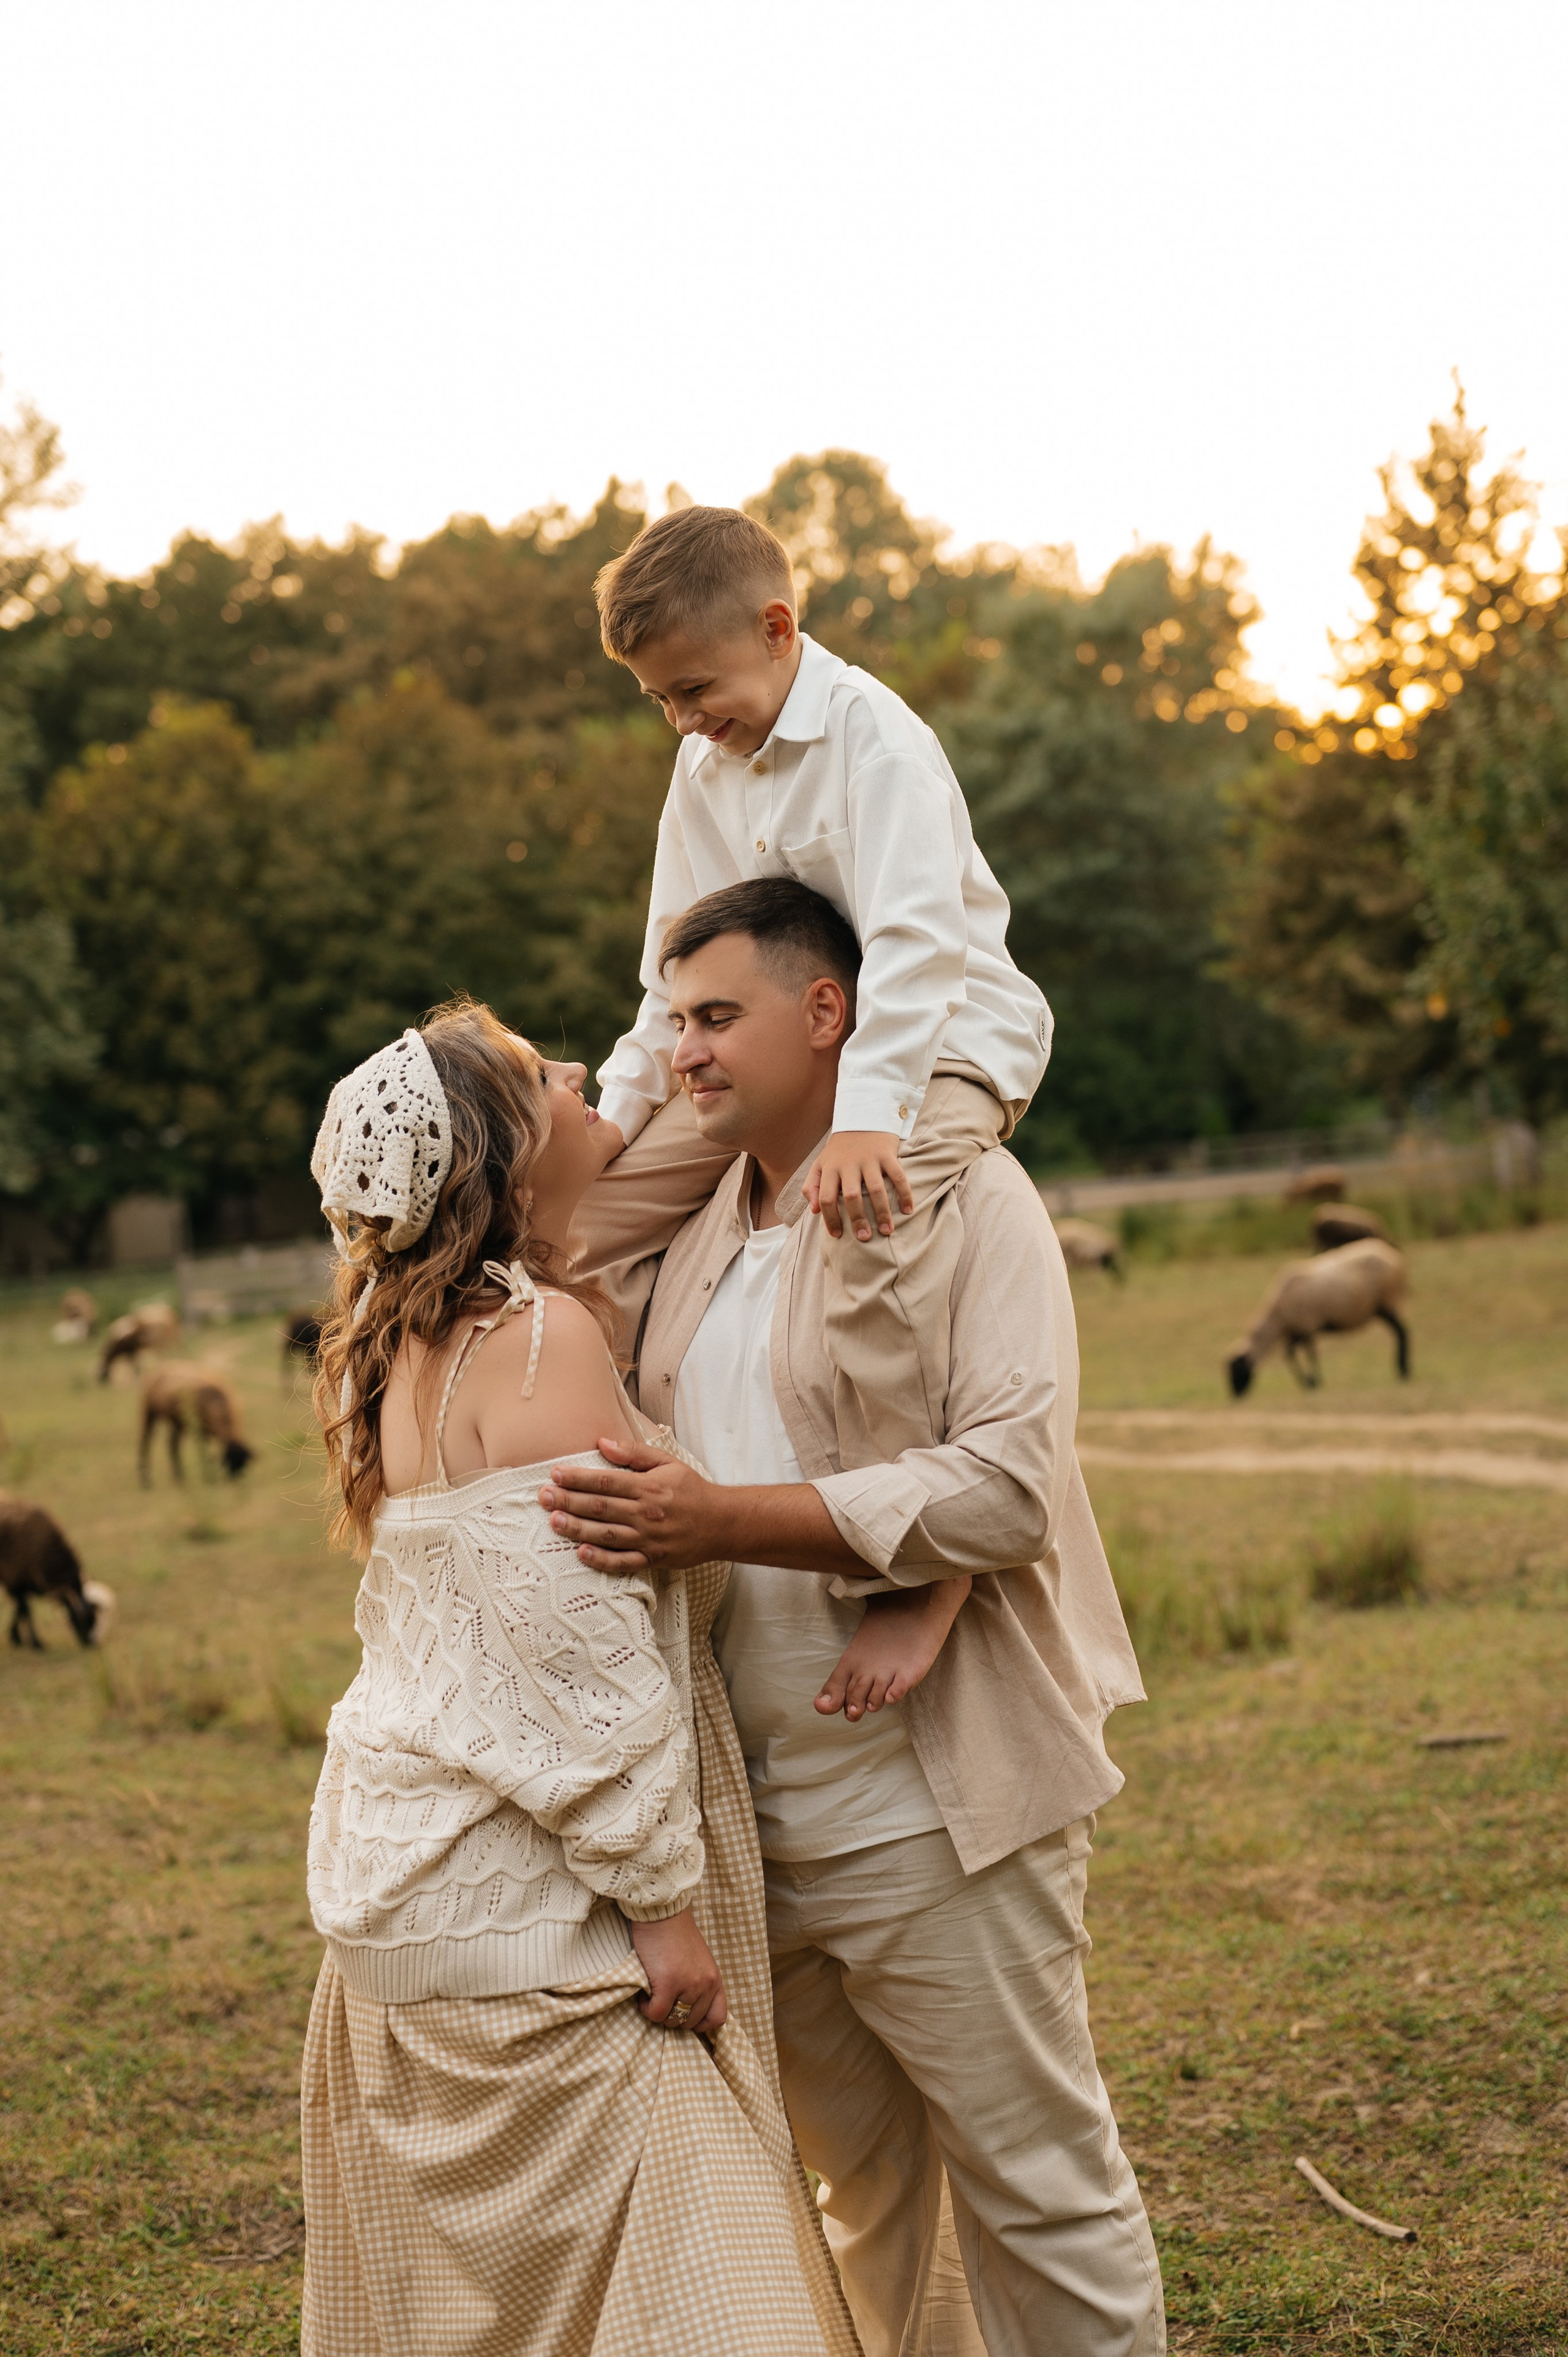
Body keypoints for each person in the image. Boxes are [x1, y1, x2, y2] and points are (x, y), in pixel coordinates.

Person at [554, 882, 1167, 2357]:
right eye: (675, 1020)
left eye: (714, 1017)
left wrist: (725, 1522)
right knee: (857, 2198)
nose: (682, 1053)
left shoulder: (969, 1203)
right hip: (751, 1829)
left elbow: (1007, 1484)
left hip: (930, 1807)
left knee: (1035, 2188)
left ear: (827, 1010)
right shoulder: (694, 1229)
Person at [298, 1001, 862, 2357]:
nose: (575, 1068)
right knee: (718, 2301)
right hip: (528, 1907)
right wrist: (660, 1909)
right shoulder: (542, 1342)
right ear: (501, 1150)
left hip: (394, 1874)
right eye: (534, 1070)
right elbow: (583, 1666)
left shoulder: (403, 1340)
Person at [587, 503, 1054, 1476]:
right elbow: (670, 967)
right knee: (589, 1222)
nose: (681, 719)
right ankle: (625, 1460)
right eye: (658, 699)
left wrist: (869, 1119)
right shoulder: (702, 766)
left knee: (868, 1224)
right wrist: (615, 1118)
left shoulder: (874, 740)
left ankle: (897, 1540)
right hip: (775, 1049)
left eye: (694, 688)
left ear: (776, 629)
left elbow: (917, 945)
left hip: (942, 1045)